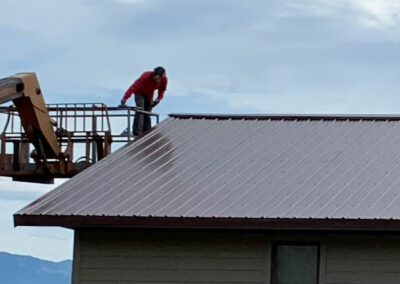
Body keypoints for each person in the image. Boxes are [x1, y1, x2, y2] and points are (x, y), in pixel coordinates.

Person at [121, 66, 167, 136]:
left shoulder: (164, 79)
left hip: (149, 94)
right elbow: (133, 87)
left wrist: (158, 99)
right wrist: (125, 98)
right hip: (139, 92)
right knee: (140, 110)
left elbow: (162, 90)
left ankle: (147, 131)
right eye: (156, 78)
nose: (157, 80)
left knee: (148, 112)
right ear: (154, 74)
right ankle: (138, 132)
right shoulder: (146, 76)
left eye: (159, 78)